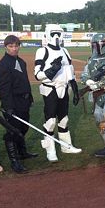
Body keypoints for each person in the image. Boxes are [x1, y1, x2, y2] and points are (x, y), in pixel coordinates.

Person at [34, 24, 81, 162]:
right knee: (50, 121)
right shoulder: (42, 51)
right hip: (50, 89)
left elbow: (70, 72)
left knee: (64, 119)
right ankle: (50, 150)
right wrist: (52, 69)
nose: (56, 37)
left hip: (65, 88)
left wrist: (76, 90)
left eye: (58, 33)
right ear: (48, 34)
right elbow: (37, 75)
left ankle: (66, 146)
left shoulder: (65, 51)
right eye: (54, 33)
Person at [0, 35, 37, 173]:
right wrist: (8, 107)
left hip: (24, 102)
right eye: (11, 46)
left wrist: (29, 97)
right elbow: (3, 89)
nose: (14, 49)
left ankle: (22, 152)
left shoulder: (22, 62)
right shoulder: (3, 65)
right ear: (6, 47)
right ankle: (15, 162)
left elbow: (24, 81)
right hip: (12, 104)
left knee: (23, 128)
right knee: (13, 132)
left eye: (16, 46)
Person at [81, 33, 105, 164]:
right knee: (100, 122)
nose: (94, 47)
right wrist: (87, 82)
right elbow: (85, 74)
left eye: (95, 44)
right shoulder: (91, 59)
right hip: (97, 97)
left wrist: (99, 84)